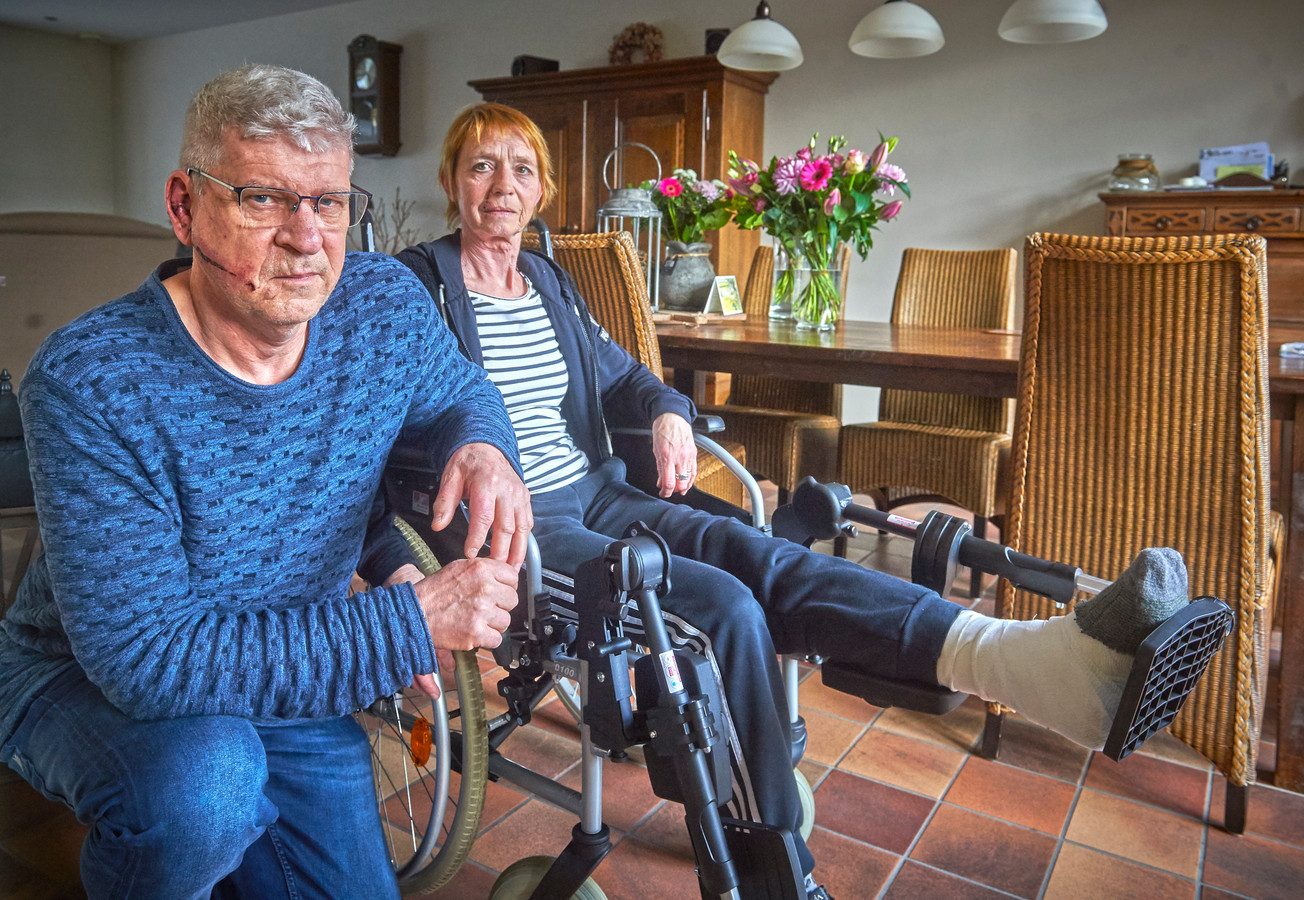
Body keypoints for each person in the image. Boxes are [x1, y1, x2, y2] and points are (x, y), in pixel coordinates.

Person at [396, 102, 1203, 900]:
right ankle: (772, 869)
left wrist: (669, 412)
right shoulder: (417, 288)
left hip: (604, 495)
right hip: (517, 534)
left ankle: (1030, 662)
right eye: (482, 166)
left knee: (766, 557)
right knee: (719, 607)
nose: (502, 185)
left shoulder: (548, 282)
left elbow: (628, 379)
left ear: (543, 190)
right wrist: (393, 555)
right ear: (451, 181)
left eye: (522, 169)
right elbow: (379, 437)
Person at [0, 66, 533, 899]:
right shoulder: (92, 379)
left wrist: (484, 445)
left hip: (290, 662)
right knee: (206, 783)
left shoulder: (381, 306)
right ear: (184, 207)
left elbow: (461, 390)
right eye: (263, 199)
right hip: (84, 675)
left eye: (329, 201)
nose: (306, 237)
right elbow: (146, 659)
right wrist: (408, 625)